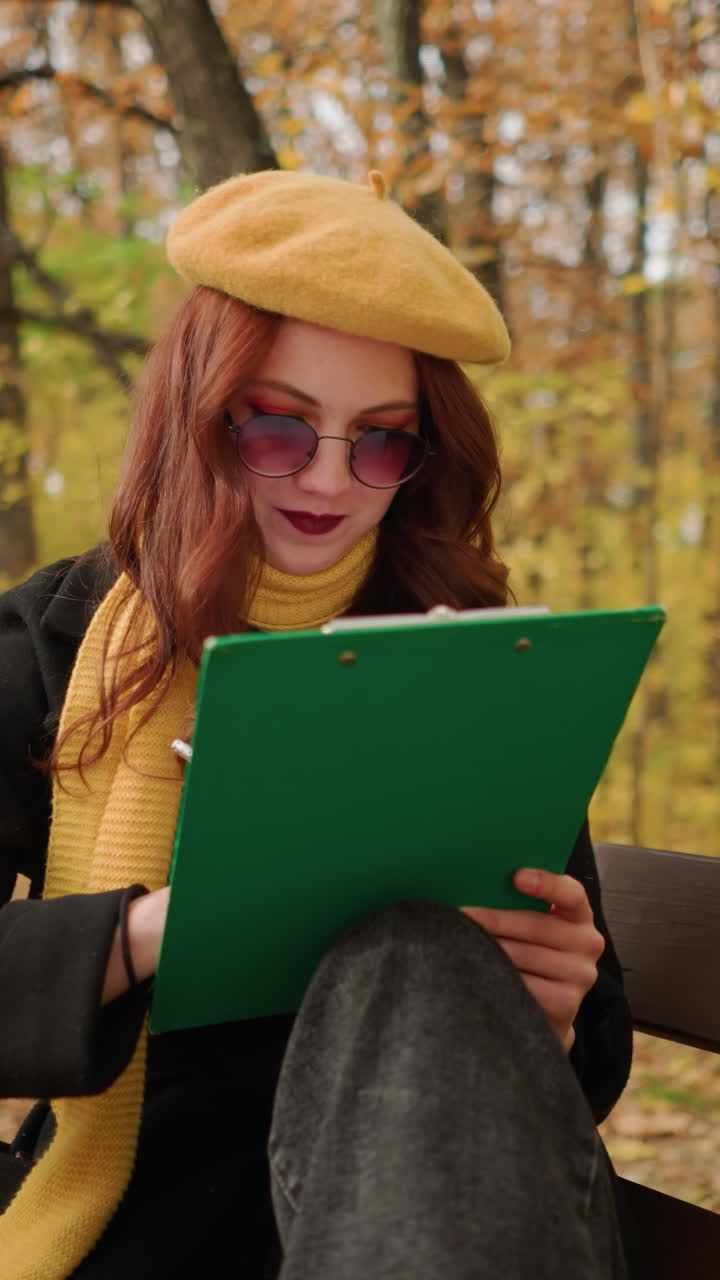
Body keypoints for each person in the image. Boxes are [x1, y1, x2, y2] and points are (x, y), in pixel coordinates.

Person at [0, 169, 633, 1280]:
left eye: (382, 440)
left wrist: (567, 999)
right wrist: (158, 929)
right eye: (283, 429)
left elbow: (587, 1069)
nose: (332, 480)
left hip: (460, 1204)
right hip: (154, 1231)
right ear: (200, 411)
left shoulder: (475, 655)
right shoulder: (48, 641)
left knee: (417, 956)